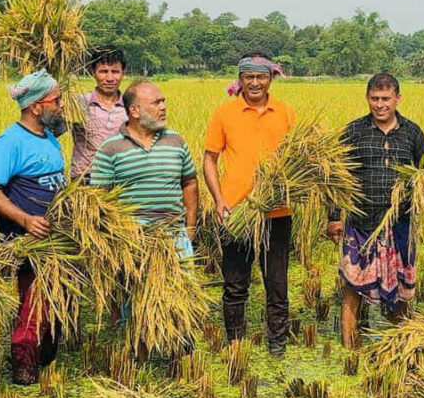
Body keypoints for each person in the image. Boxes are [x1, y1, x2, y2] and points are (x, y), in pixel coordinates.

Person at [0, 70, 68, 385]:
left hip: (56, 241)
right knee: (34, 305)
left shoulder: (50, 137)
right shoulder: (10, 141)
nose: (61, 105)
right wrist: (25, 220)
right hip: (28, 241)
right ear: (36, 106)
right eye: (56, 100)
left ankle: (46, 360)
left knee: (57, 302)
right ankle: (23, 371)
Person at [327, 73, 424, 349]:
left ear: (397, 98)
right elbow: (337, 178)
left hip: (399, 225)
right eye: (375, 99)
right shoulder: (354, 132)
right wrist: (334, 217)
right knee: (353, 288)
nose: (380, 105)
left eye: (386, 99)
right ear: (367, 98)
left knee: (401, 293)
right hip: (361, 222)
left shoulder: (412, 133)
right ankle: (350, 348)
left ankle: (399, 348)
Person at [203, 52, 295, 357]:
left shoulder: (285, 112)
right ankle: (235, 343)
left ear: (271, 78)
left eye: (261, 77)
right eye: (248, 77)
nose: (255, 83)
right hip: (236, 210)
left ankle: (277, 343)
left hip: (276, 211)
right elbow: (209, 160)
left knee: (277, 282)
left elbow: (299, 158)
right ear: (240, 79)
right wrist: (219, 200)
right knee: (235, 282)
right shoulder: (224, 113)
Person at [90, 81, 199, 240]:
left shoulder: (176, 141)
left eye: (163, 101)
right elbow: (99, 198)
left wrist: (189, 228)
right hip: (130, 240)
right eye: (156, 103)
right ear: (134, 111)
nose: (163, 107)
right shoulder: (110, 148)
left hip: (175, 234)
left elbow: (190, 183)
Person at [71, 46, 127, 181]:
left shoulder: (131, 106)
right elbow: (52, 130)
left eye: (115, 71)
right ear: (93, 72)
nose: (109, 78)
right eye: (103, 71)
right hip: (84, 179)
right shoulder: (78, 103)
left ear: (123, 73)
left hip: (120, 179)